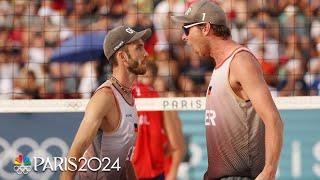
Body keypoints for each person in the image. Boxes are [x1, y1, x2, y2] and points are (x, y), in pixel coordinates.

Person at [171, 1, 284, 179]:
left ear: (206, 28)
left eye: (187, 29)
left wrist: (269, 170)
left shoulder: (240, 61)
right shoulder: (220, 67)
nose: (184, 37)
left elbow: (273, 119)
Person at [60, 25, 151, 180]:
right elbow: (76, 151)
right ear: (122, 57)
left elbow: (125, 161)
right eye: (139, 48)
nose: (146, 53)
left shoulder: (127, 95)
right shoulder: (105, 97)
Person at [132, 60, 186, 180]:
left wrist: (172, 172)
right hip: (139, 169)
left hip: (156, 169)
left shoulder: (162, 102)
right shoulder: (129, 97)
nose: (141, 81)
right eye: (139, 76)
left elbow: (178, 146)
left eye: (146, 77)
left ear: (154, 79)